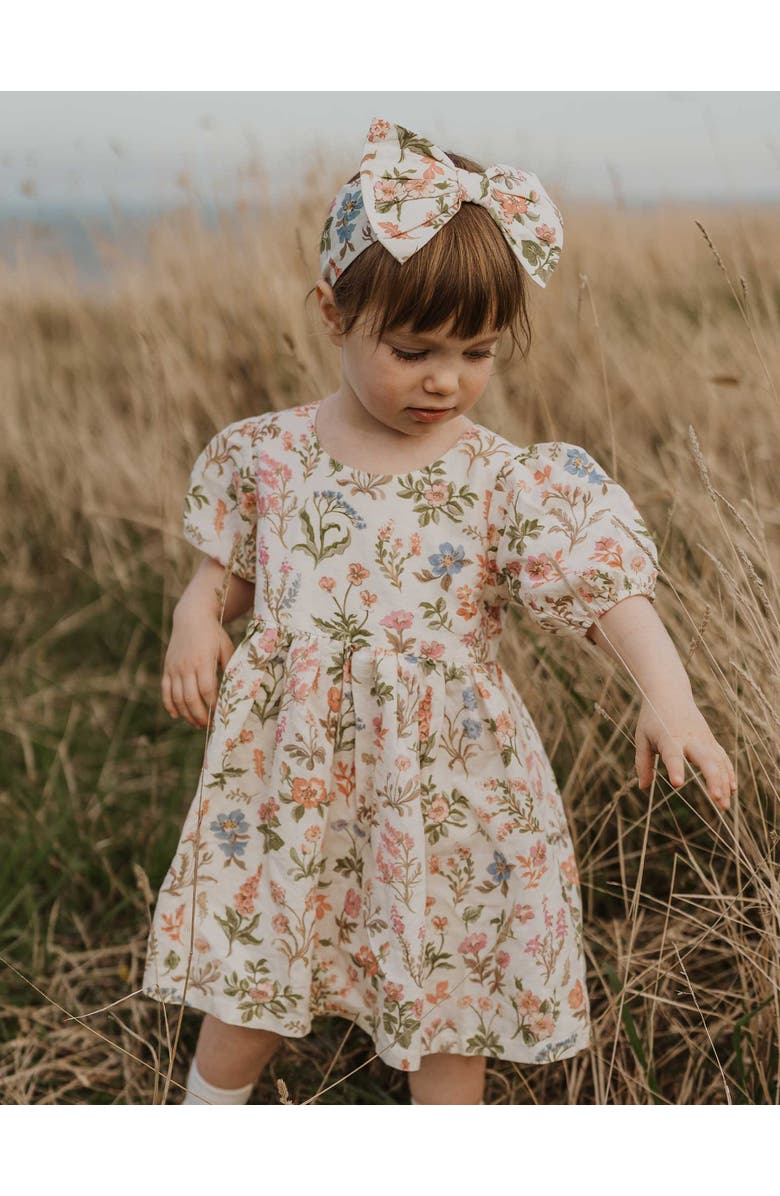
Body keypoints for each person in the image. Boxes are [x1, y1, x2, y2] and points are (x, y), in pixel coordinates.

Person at [142, 116, 737, 1106]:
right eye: (414, 347)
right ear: (333, 315)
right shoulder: (271, 456)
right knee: (255, 972)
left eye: (476, 351)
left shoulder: (504, 479)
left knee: (448, 999)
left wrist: (668, 697)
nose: (446, 378)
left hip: (447, 790)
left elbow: (607, 592)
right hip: (292, 785)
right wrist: (196, 616)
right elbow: (229, 573)